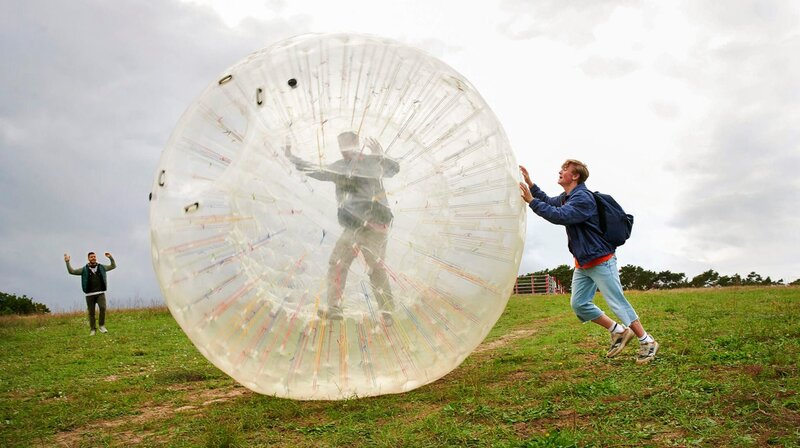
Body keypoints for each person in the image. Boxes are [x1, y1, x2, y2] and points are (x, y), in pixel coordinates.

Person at [518, 160, 658, 364]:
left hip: (601, 260)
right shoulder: (569, 197)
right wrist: (531, 185)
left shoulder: (582, 198)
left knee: (617, 302)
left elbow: (560, 215)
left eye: (564, 169)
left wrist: (532, 202)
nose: (560, 171)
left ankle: (647, 341)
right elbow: (549, 202)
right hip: (583, 263)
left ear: (575, 176)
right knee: (579, 304)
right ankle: (618, 331)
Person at [285, 131, 400, 324]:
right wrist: (290, 156)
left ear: (356, 143)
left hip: (375, 226)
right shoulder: (339, 167)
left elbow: (394, 169)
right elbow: (313, 170)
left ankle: (387, 312)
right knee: (337, 263)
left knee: (375, 268)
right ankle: (335, 308)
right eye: (341, 146)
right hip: (353, 228)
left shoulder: (372, 162)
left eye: (347, 145)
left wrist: (380, 155)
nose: (344, 150)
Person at [65, 252, 116, 335]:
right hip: (89, 295)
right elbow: (72, 271)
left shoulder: (101, 267)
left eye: (94, 257)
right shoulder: (84, 269)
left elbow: (113, 266)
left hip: (100, 293)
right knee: (91, 313)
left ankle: (101, 326)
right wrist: (67, 262)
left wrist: (111, 257)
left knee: (102, 308)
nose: (93, 258)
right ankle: (93, 329)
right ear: (88, 259)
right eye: (91, 257)